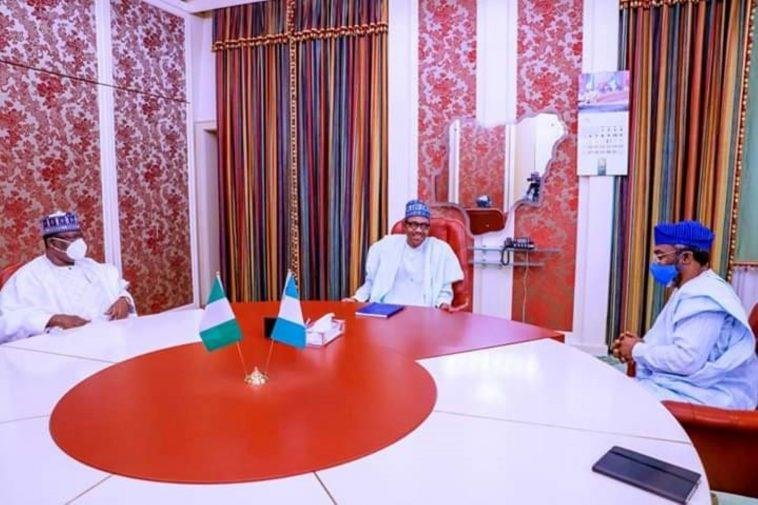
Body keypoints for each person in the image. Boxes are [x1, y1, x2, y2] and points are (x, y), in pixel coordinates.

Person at [612, 220, 757, 409]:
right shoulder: (690, 288)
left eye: (661, 256)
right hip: (692, 384)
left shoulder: (704, 296)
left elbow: (686, 360)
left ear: (686, 257)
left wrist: (636, 350)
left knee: (617, 398)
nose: (657, 264)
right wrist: (637, 346)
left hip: (710, 392)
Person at [0, 211, 135, 344]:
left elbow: (118, 287)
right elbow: (7, 320)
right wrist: (53, 319)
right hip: (61, 350)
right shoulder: (28, 276)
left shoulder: (91, 266)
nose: (77, 243)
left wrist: (123, 300)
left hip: (107, 340)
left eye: (78, 237)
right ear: (52, 243)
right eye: (69, 238)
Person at [344, 200, 464, 310]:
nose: (418, 230)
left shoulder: (440, 250)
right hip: (387, 310)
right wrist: (356, 299)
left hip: (422, 313)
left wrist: (443, 304)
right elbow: (371, 283)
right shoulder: (385, 246)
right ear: (405, 225)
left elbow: (445, 290)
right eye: (413, 224)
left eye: (424, 226)